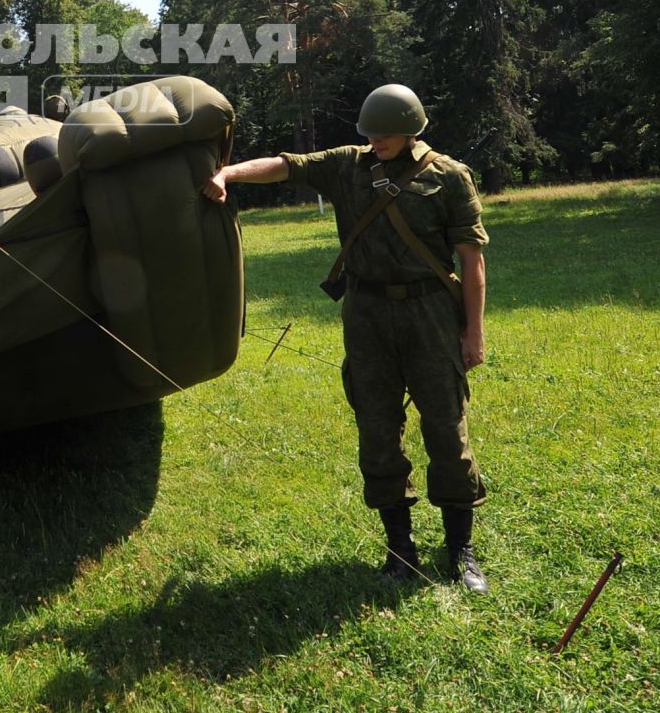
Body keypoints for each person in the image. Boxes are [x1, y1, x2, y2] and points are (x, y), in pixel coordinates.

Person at [201, 83, 490, 592]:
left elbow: (472, 262)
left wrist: (474, 333)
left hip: (429, 315)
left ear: (411, 130)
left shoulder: (449, 177)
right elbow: (285, 164)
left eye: (385, 134)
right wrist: (228, 172)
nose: (375, 140)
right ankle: (400, 550)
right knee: (377, 431)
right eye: (370, 133)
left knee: (446, 429)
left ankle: (460, 550)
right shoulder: (348, 165)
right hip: (367, 313)